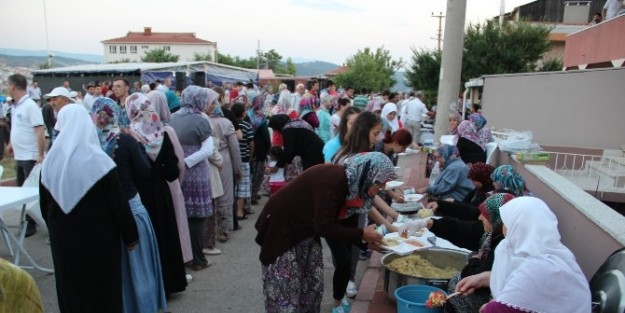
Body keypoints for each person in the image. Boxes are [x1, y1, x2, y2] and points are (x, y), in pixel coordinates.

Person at [255, 152, 394, 313]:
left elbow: (347, 226)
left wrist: (367, 242)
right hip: (282, 232)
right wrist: (362, 234)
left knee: (311, 288)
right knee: (286, 294)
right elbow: (325, 227)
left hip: (306, 232)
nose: (382, 188)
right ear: (368, 173)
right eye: (380, 182)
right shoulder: (333, 181)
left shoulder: (354, 188)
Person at [40, 103, 139, 312]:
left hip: (64, 240)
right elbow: (118, 205)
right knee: (103, 290)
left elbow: (44, 206)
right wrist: (131, 237)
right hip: (100, 240)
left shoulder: (49, 163)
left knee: (71, 288)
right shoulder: (100, 162)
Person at [455, 197, 591, 313]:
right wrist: (481, 279)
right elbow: (517, 276)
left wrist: (489, 307)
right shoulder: (555, 253)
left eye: (508, 222)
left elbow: (497, 310)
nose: (503, 228)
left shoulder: (540, 268)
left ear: (519, 226)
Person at [400, 193, 516, 313]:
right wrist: (430, 223)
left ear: (499, 220)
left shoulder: (503, 246)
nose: (480, 217)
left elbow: (477, 274)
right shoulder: (492, 233)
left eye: (485, 215)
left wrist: (473, 262)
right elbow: (462, 229)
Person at [125, 93, 188, 294]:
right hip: (161, 193)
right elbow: (173, 171)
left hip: (140, 194)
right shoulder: (162, 133)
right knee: (166, 235)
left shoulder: (129, 136)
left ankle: (151, 288)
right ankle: (171, 283)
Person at [169, 86, 215, 271]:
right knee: (197, 218)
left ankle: (184, 257)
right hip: (196, 174)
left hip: (177, 173)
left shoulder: (172, 118)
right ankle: (198, 258)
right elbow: (207, 150)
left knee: (182, 215)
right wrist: (186, 162)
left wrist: (180, 162)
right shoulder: (201, 120)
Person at [5, 74, 45, 237]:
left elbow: (40, 130)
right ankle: (27, 219)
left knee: (32, 192)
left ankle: (33, 222)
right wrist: (10, 145)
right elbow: (17, 128)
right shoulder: (16, 106)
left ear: (13, 86)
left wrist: (40, 154)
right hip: (19, 157)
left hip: (30, 157)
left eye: (8, 85)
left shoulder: (30, 106)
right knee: (23, 191)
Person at [209, 99, 242, 242]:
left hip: (208, 160)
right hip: (224, 160)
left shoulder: (205, 121)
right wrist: (238, 168)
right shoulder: (226, 123)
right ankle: (224, 230)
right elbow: (234, 147)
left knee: (212, 194)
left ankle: (211, 230)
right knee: (226, 195)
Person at [267, 114, 324, 179]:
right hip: (317, 149)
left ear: (277, 125)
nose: (275, 131)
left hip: (312, 152)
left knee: (310, 176)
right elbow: (293, 149)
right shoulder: (295, 123)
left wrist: (278, 166)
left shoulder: (288, 128)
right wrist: (286, 162)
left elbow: (288, 150)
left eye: (274, 128)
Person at [232, 101, 255, 220]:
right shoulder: (247, 126)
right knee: (243, 185)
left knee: (233, 185)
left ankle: (234, 210)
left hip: (231, 159)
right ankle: (240, 211)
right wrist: (251, 156)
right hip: (244, 159)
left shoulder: (230, 124)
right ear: (242, 113)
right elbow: (251, 143)